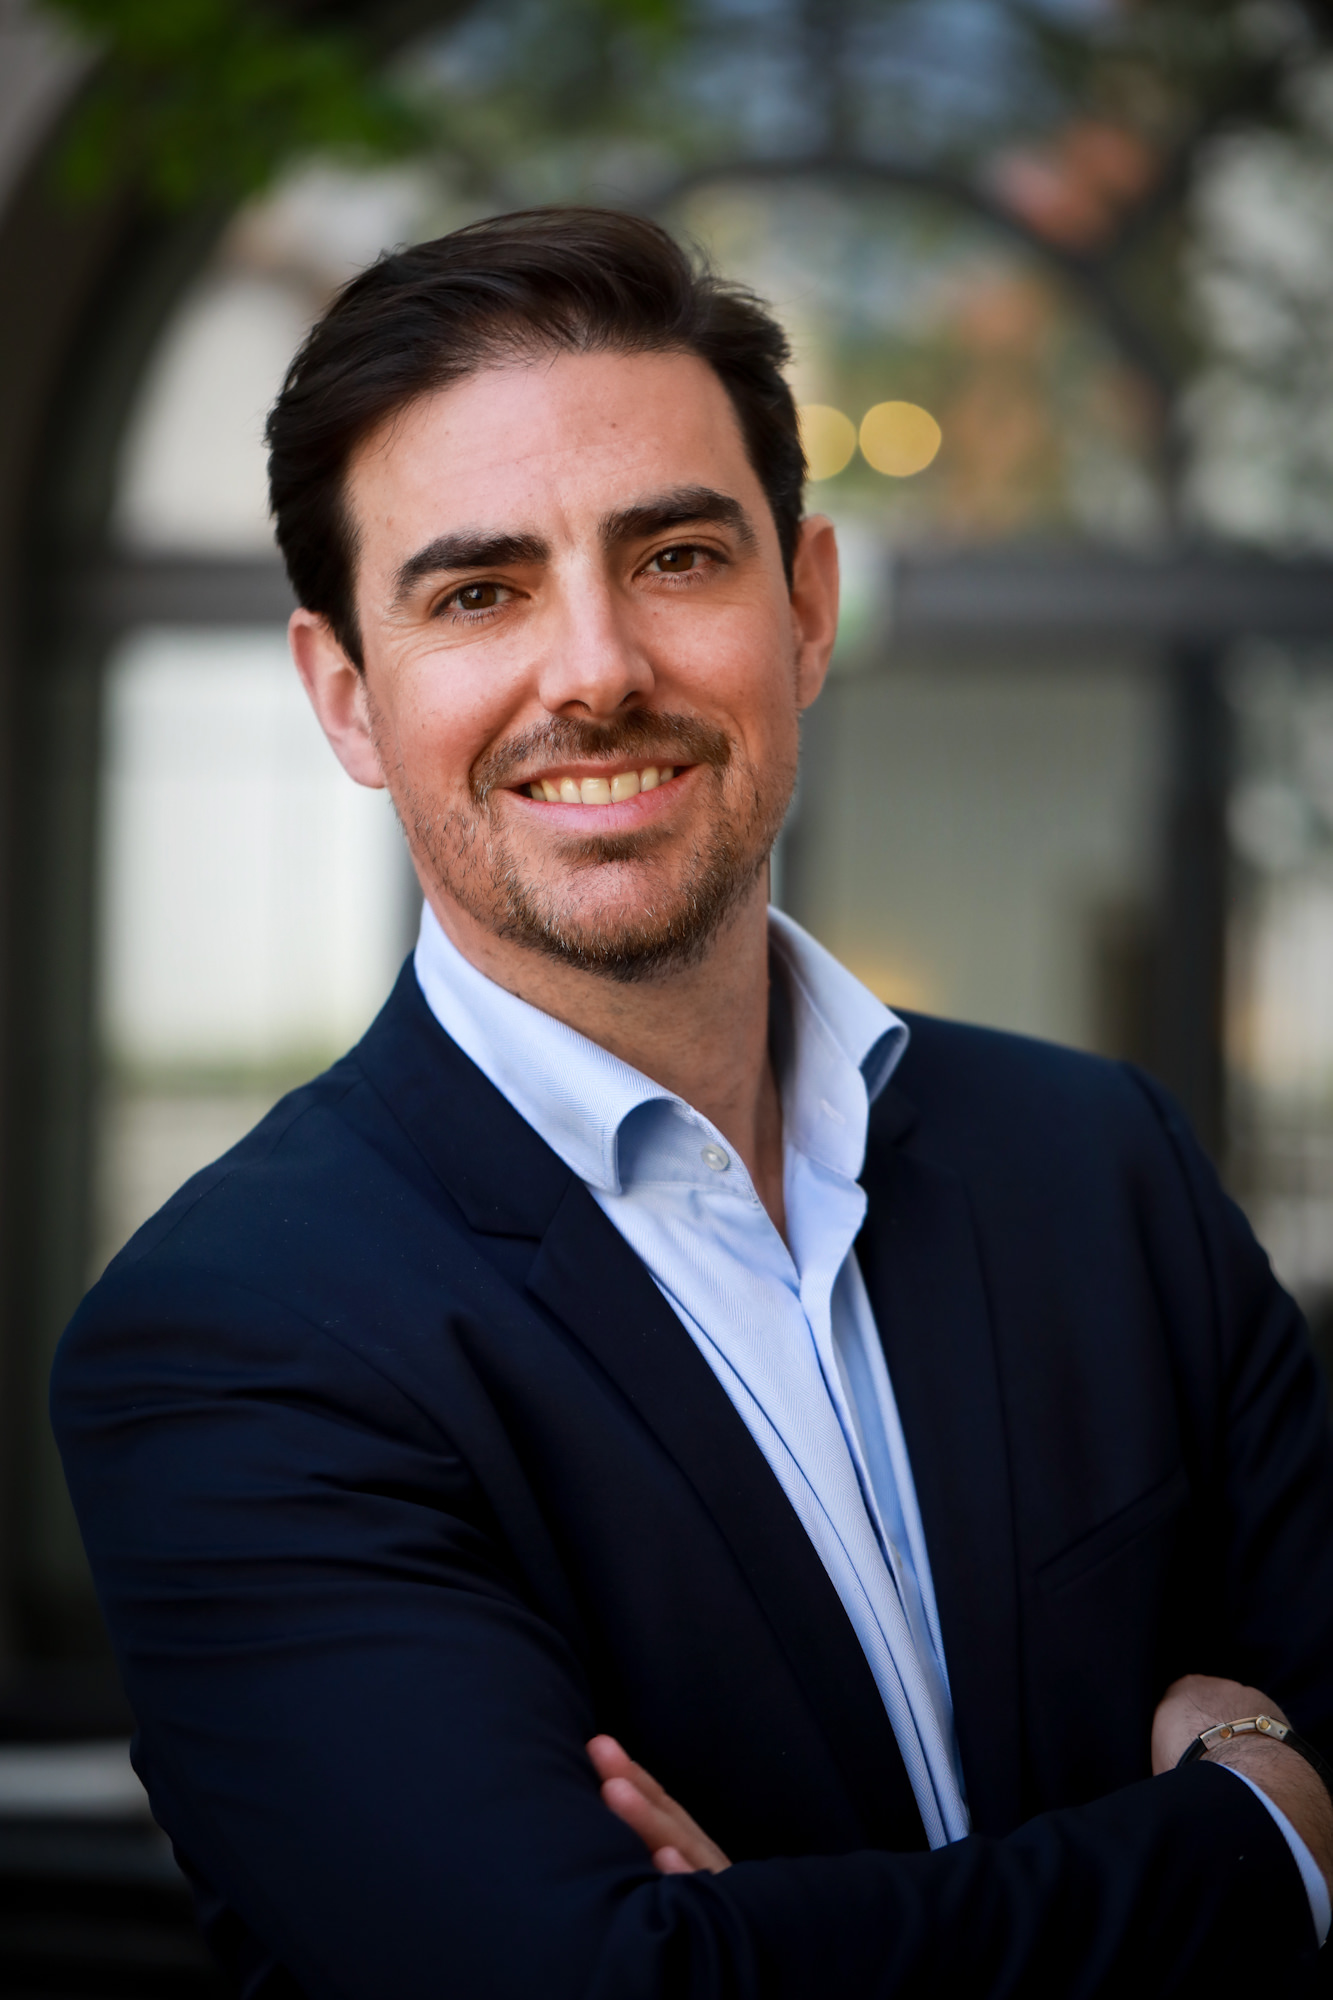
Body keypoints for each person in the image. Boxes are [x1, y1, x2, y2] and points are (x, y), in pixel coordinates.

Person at [52, 208, 1333, 1999]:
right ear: (346, 698)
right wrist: (1259, 1827)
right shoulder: (235, 1339)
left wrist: (770, 1944)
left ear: (802, 610)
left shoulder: (1099, 1165)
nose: (594, 670)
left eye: (672, 557)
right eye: (479, 592)